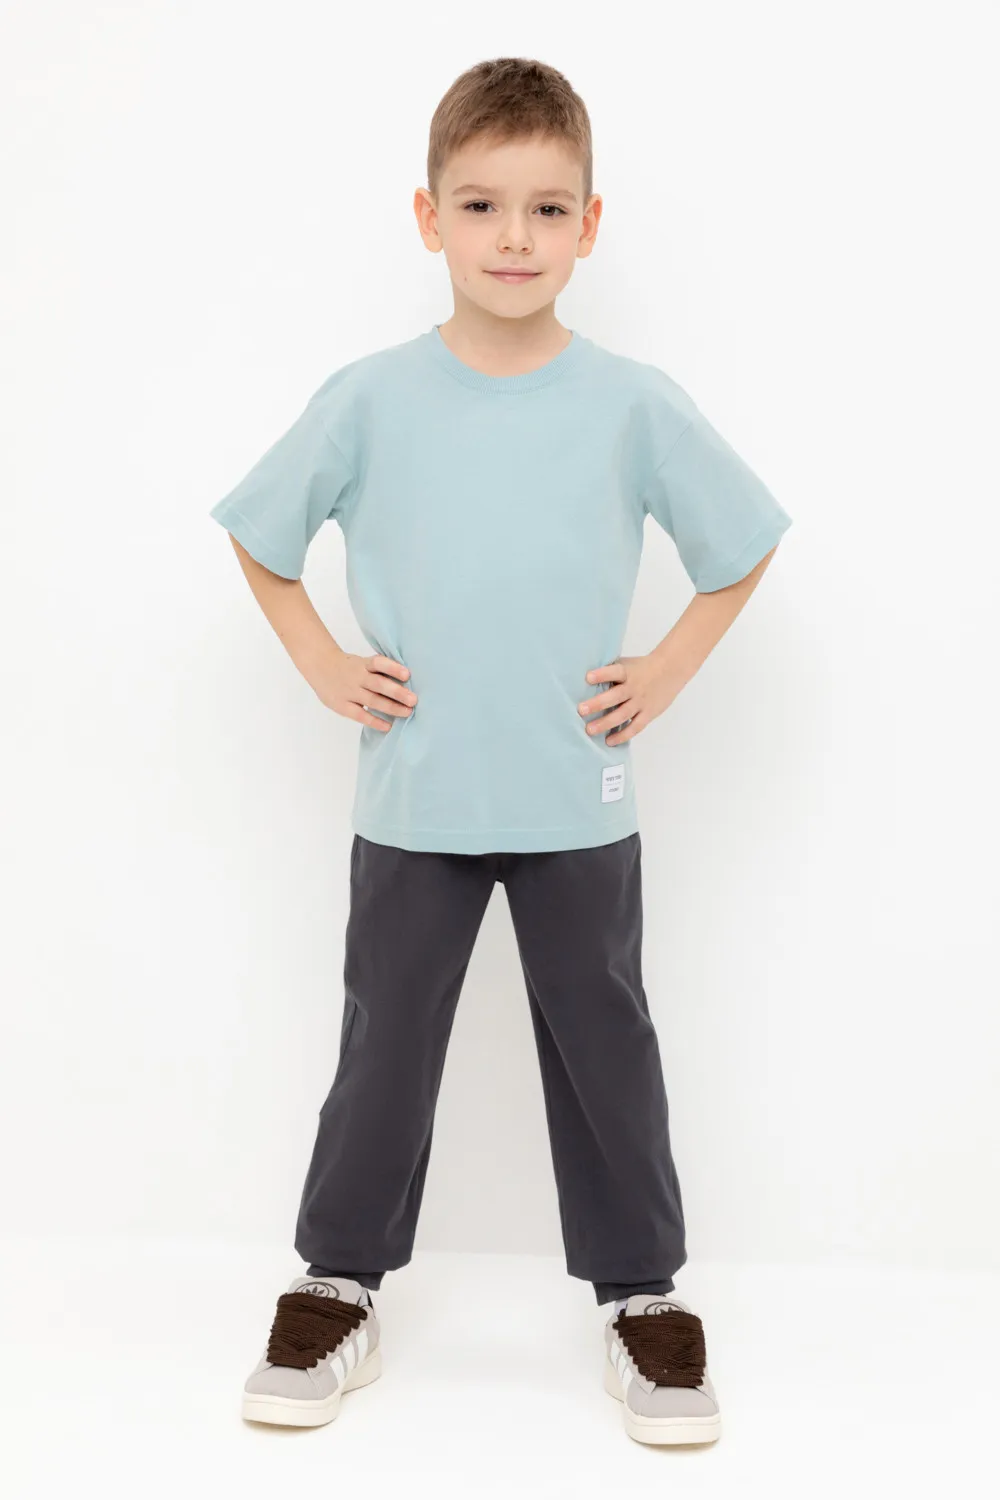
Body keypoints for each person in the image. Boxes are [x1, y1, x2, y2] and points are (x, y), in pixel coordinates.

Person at [214, 56, 792, 1446]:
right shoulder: (370, 398)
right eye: (481, 206)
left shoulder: (632, 403)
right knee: (385, 1044)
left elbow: (739, 547)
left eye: (546, 209)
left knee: (606, 1040)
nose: (514, 237)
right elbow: (262, 535)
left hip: (575, 795)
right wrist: (322, 663)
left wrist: (663, 669)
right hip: (414, 796)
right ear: (430, 218)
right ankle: (338, 1281)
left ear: (590, 225)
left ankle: (643, 1296)